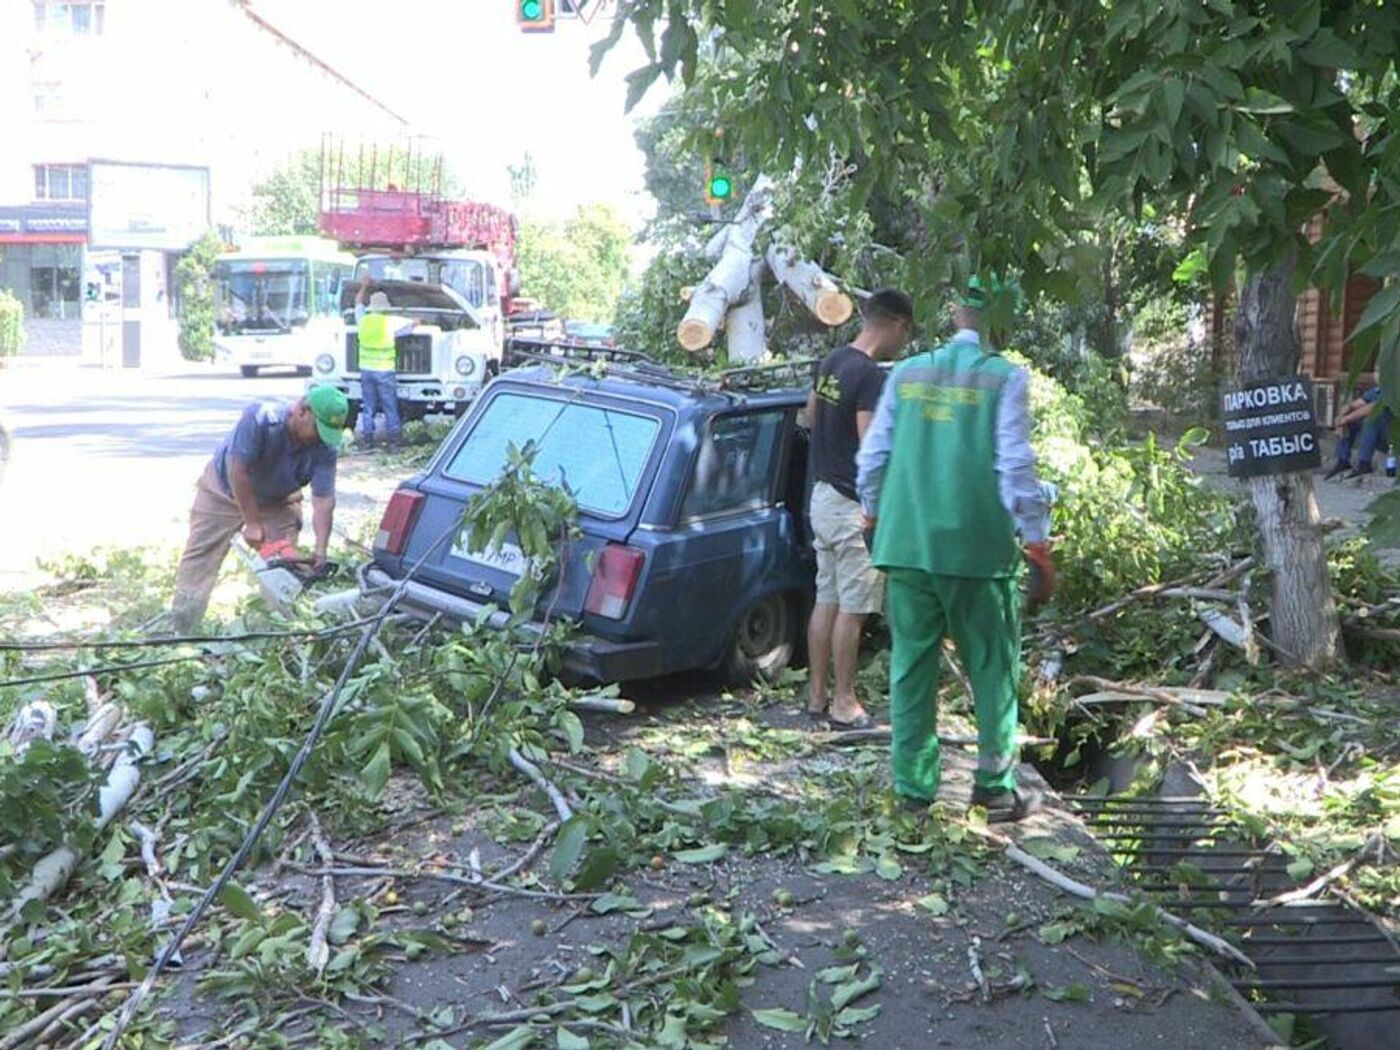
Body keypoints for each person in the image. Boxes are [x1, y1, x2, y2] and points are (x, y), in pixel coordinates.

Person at [856, 280, 1053, 823]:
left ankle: (912, 792)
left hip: (908, 544)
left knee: (911, 667)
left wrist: (872, 517)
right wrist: (1037, 545)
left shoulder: (907, 373)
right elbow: (1014, 467)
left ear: (951, 314)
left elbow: (872, 457)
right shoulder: (1004, 377)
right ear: (997, 319)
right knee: (992, 668)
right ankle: (994, 789)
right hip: (977, 551)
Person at [805, 288, 914, 728]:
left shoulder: (831, 361)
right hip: (852, 505)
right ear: (898, 326)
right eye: (905, 336)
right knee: (854, 608)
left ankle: (816, 697)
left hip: (821, 497)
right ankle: (845, 703)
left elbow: (810, 415)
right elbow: (871, 450)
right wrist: (878, 509)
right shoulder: (870, 376)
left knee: (825, 598)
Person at [169, 388, 347, 632]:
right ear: (302, 411)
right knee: (200, 557)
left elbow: (324, 500)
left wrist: (320, 549)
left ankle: (271, 634)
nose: (320, 438)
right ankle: (182, 627)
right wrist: (251, 523)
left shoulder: (325, 447)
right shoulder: (261, 418)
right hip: (224, 490)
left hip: (279, 500)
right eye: (318, 429)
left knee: (283, 571)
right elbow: (238, 471)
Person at [354, 282, 417, 449]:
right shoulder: (391, 322)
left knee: (368, 407)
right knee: (390, 406)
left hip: (366, 370)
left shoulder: (363, 320)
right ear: (385, 308)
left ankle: (367, 441)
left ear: (371, 306)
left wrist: (364, 285)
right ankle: (394, 443)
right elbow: (412, 324)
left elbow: (358, 302)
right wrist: (417, 321)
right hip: (385, 371)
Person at [1322, 384, 1391, 480]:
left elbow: (1374, 407)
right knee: (1350, 415)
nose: (1378, 374)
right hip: (1382, 434)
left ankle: (1364, 463)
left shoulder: (1394, 389)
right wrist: (1342, 415)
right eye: (1376, 371)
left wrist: (1346, 419)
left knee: (1372, 417)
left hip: (1392, 436)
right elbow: (1356, 404)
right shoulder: (1377, 390)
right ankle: (1343, 460)